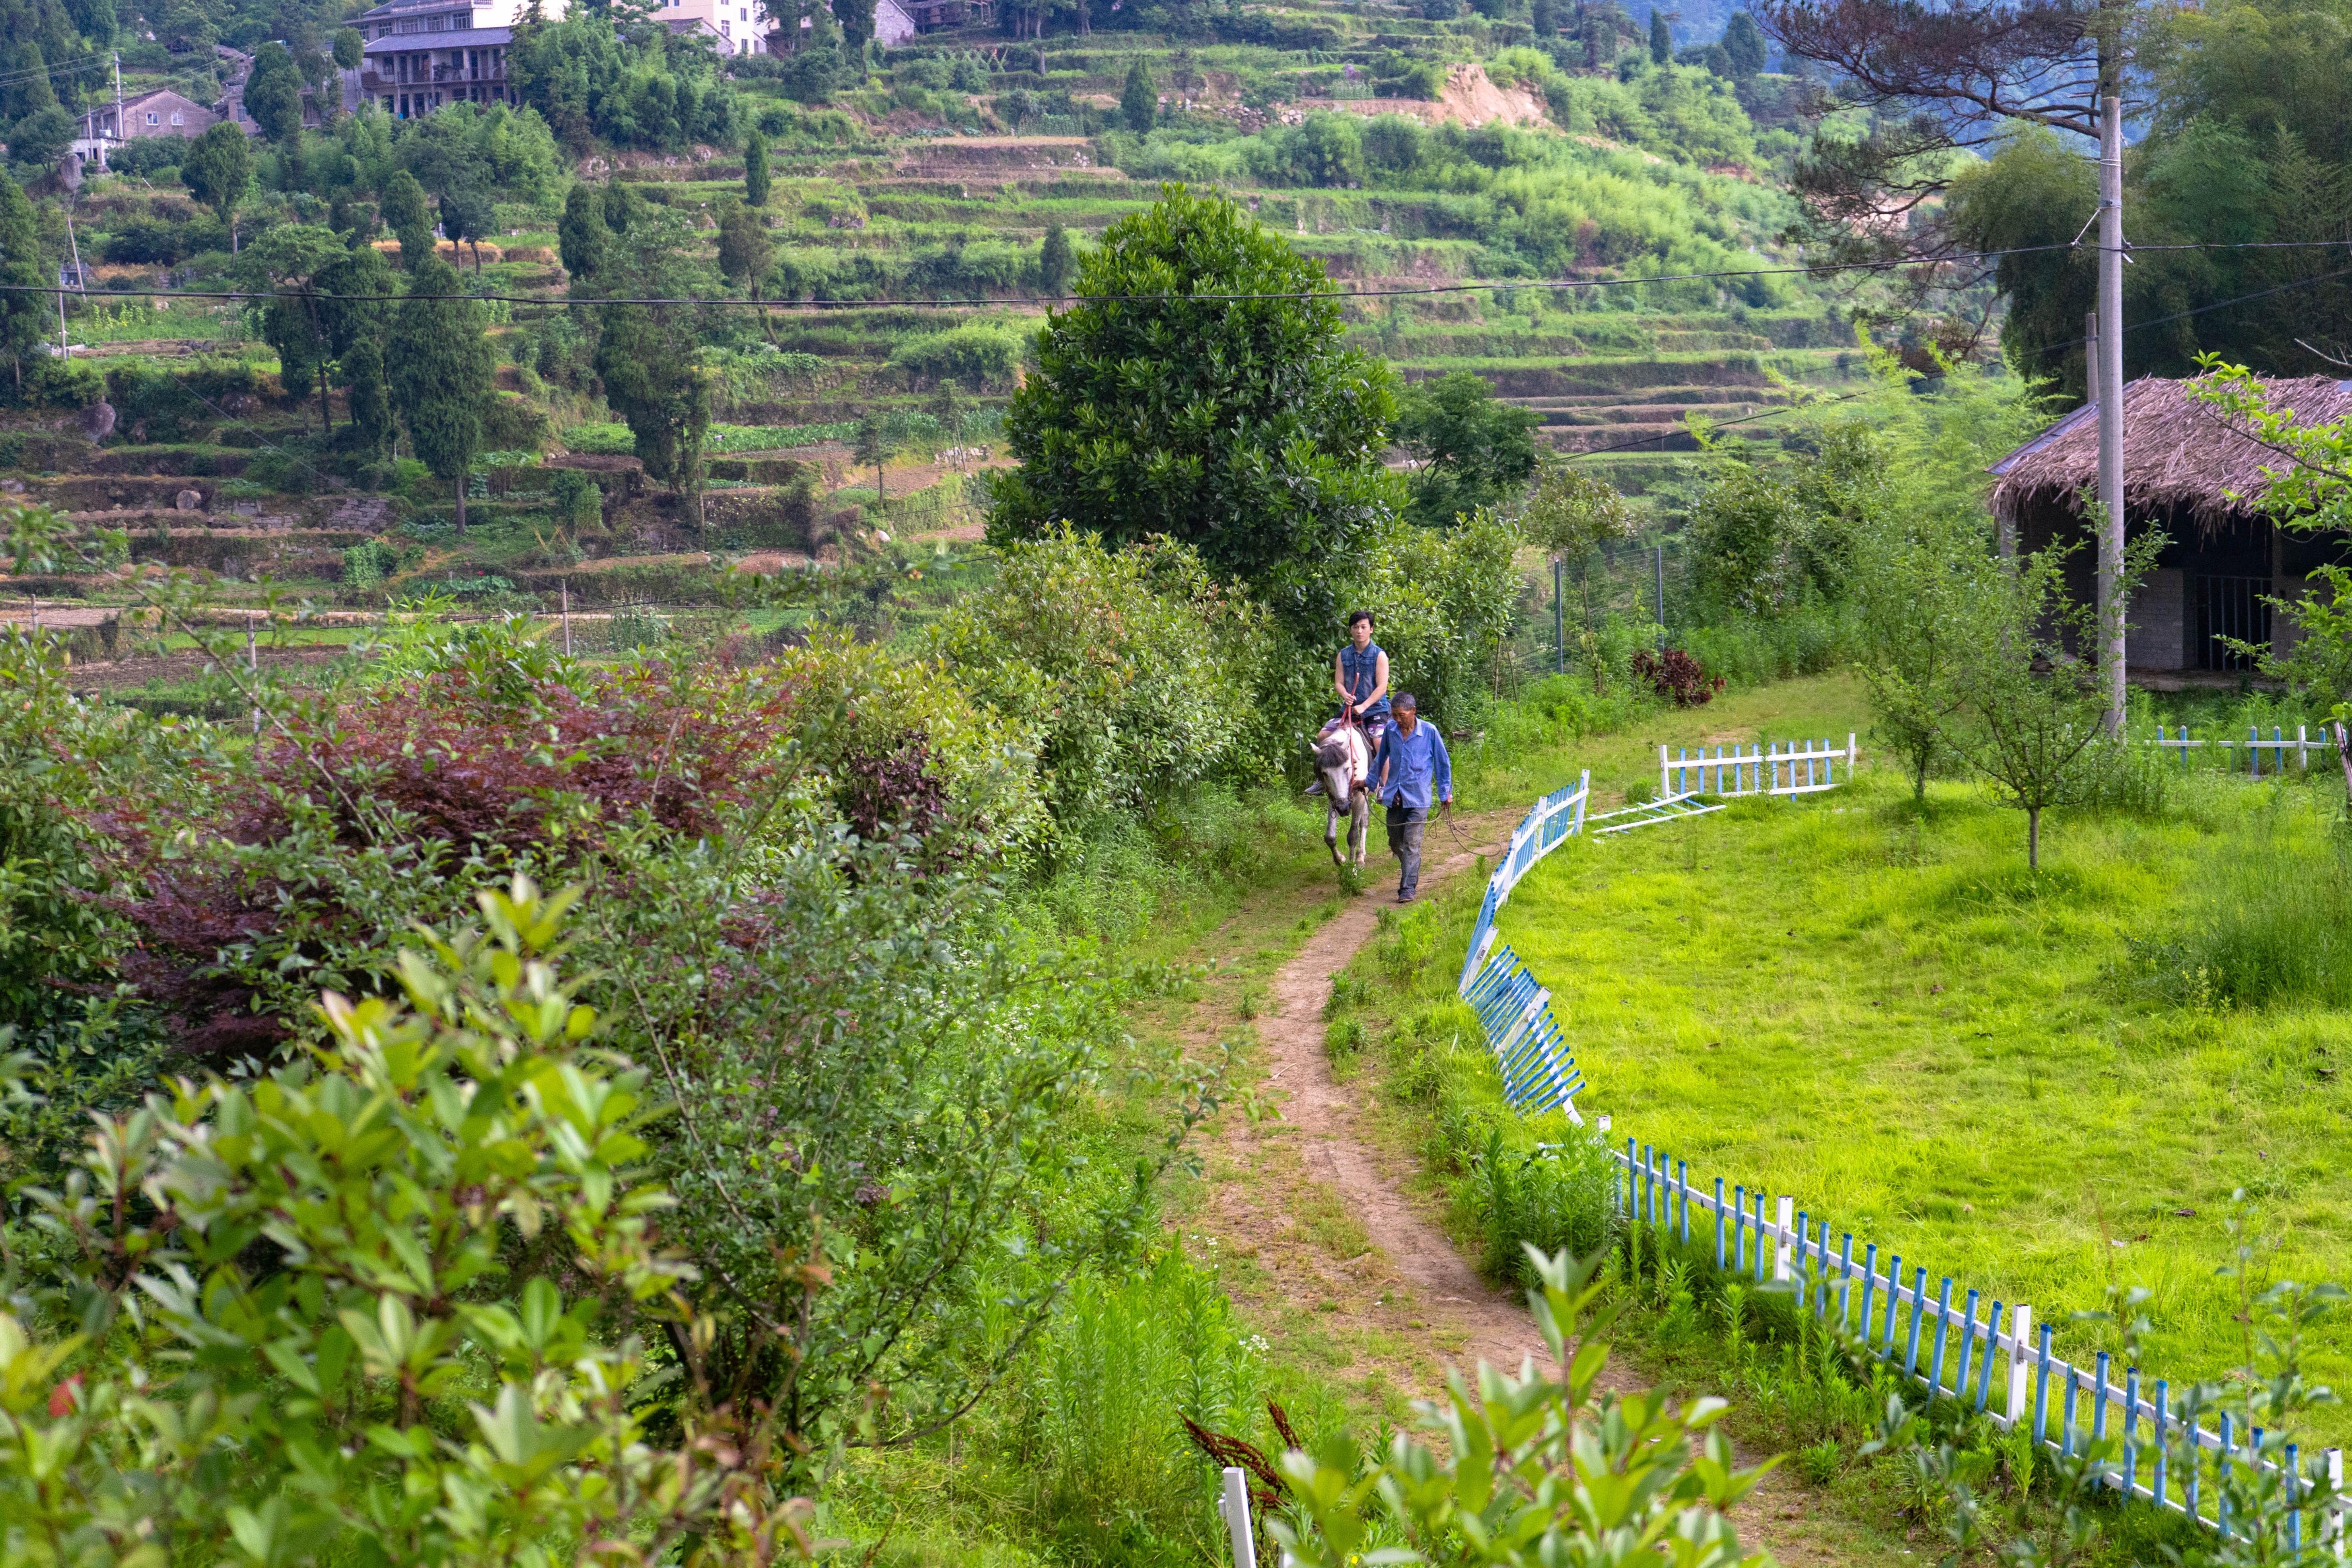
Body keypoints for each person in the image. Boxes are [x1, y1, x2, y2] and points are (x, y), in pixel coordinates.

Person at [1369, 691, 1451, 903]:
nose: (1397, 720)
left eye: (1401, 715)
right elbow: (1381, 759)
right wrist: (1368, 783)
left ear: (1413, 711)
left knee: (1412, 844)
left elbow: (1443, 764)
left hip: (1418, 799)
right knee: (1396, 843)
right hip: (1395, 797)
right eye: (1394, 715)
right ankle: (1411, 867)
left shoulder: (1430, 732)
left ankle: (1407, 887)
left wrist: (1445, 794)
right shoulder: (1390, 730)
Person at [1333, 610, 1390, 734]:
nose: (1359, 631)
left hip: (1376, 709)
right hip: (1350, 709)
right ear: (1350, 630)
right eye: (1356, 627)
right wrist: (1345, 695)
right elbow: (1338, 683)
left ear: (1371, 629)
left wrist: (1364, 706)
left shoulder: (1380, 655)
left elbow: (1382, 687)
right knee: (1323, 736)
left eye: (1364, 627)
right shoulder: (1342, 655)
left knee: (1379, 742)